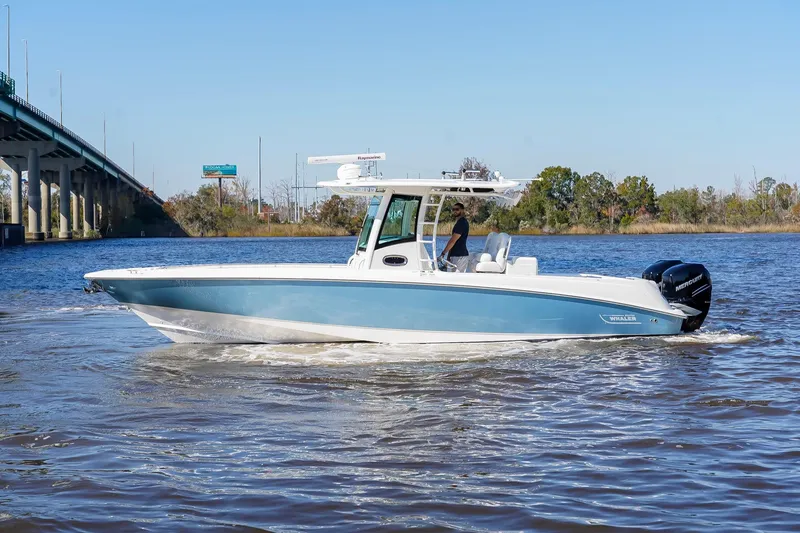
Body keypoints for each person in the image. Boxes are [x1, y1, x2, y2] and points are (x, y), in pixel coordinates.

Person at [439, 202, 469, 272]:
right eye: (453, 209)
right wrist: (449, 256)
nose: (455, 211)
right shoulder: (459, 223)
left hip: (460, 256)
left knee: (458, 278)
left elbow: (453, 241)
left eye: (457, 209)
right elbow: (453, 243)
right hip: (454, 255)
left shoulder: (462, 223)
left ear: (462, 210)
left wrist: (443, 253)